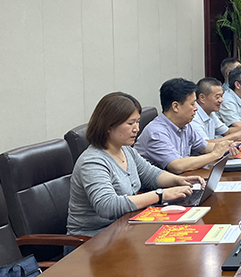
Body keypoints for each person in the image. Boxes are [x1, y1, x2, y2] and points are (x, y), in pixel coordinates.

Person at [67, 92, 204, 237]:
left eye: (137, 122)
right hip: (94, 239)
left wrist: (179, 180)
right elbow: (107, 206)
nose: (136, 129)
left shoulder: (126, 150)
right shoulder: (92, 161)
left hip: (126, 227)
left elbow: (150, 174)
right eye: (130, 123)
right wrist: (160, 195)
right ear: (108, 126)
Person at [136, 78, 238, 174]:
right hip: (159, 186)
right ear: (176, 106)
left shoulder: (185, 125)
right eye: (192, 104)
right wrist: (214, 155)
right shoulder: (156, 132)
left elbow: (205, 147)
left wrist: (226, 147)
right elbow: (177, 166)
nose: (196, 108)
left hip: (182, 180)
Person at [190, 77, 241, 143]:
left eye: (221, 96)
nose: (221, 100)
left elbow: (227, 131)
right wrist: (234, 136)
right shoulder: (193, 116)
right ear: (202, 98)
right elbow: (204, 144)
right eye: (217, 97)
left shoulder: (210, 112)